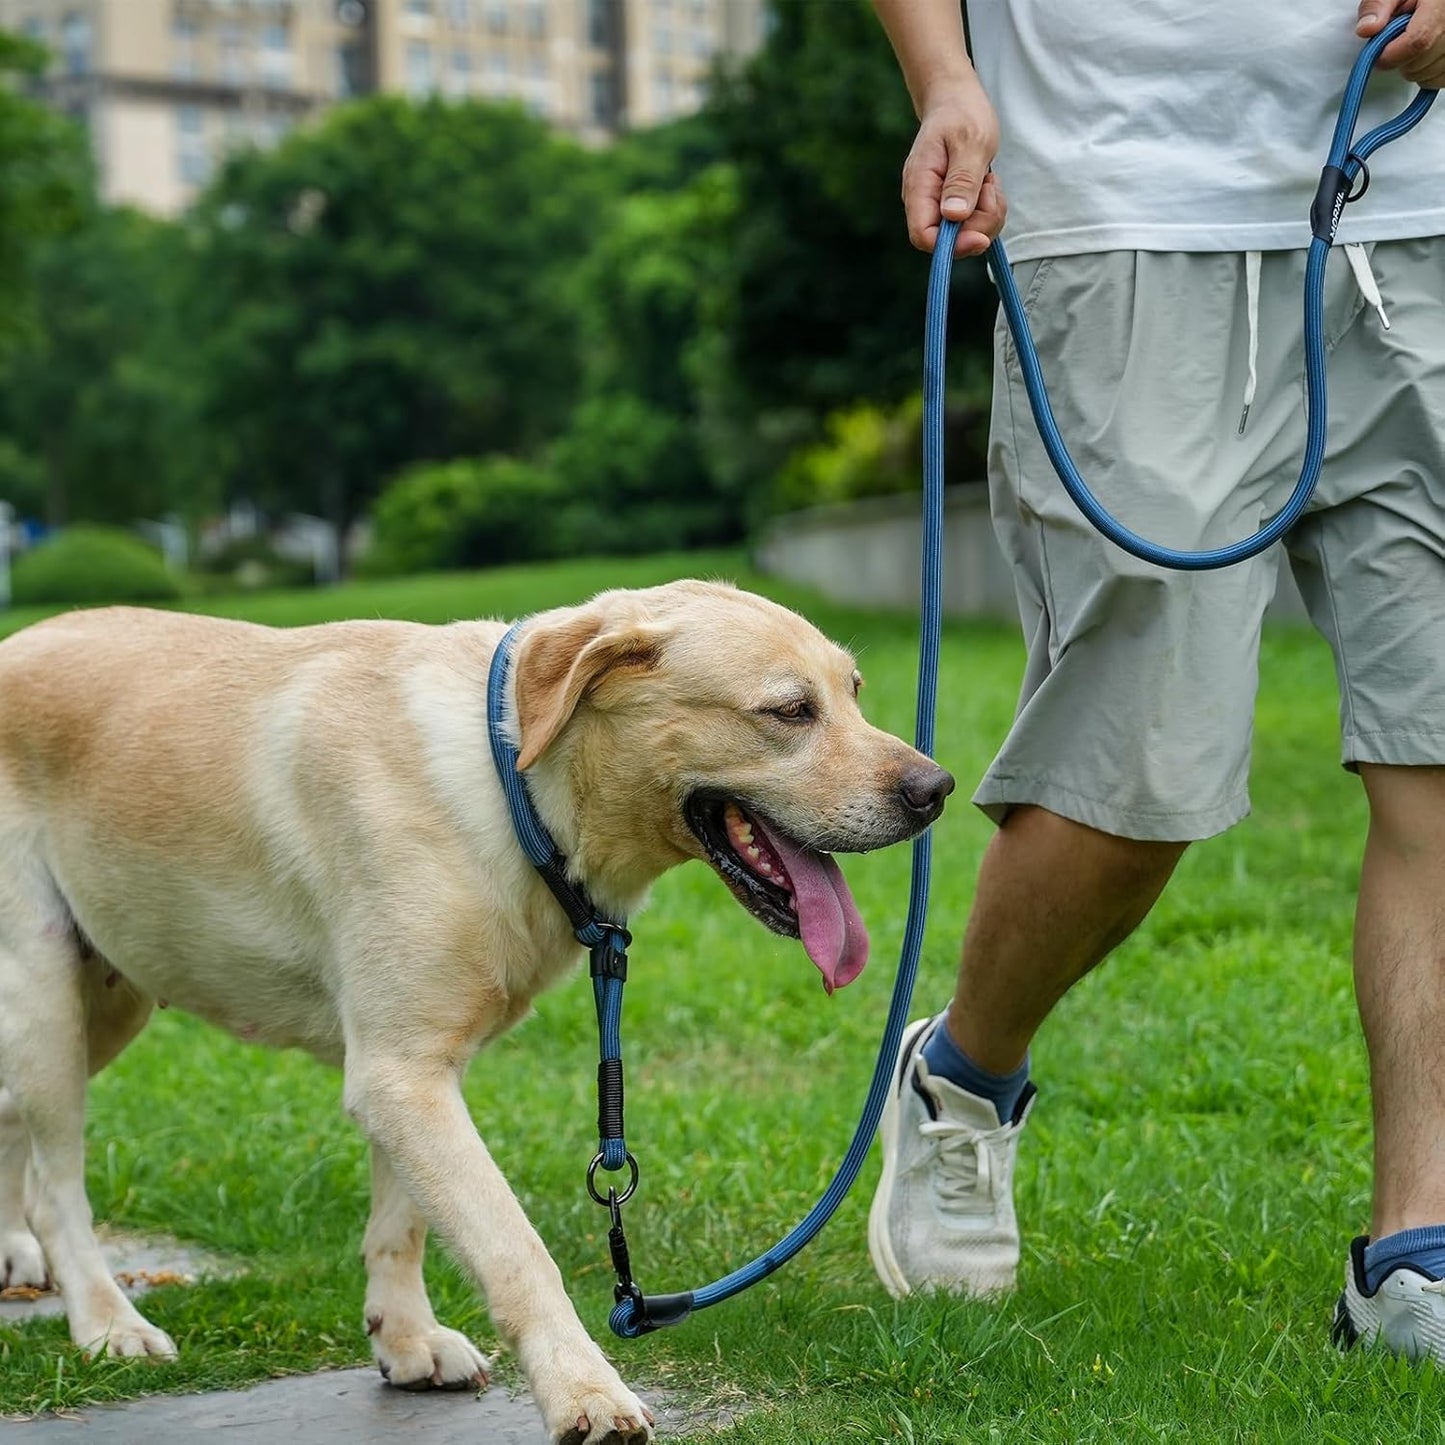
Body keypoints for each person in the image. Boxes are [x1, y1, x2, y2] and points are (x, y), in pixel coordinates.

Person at [866, 0, 1445, 1359]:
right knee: (1140, 777)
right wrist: (943, 78)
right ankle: (965, 1072)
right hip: (1119, 205)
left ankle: (1414, 1252)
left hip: (1414, 200)